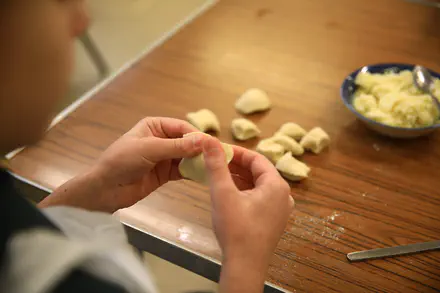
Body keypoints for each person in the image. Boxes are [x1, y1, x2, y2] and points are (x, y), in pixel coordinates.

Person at [0, 1, 294, 293]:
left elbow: (21, 230)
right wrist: (246, 263)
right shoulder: (70, 283)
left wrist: (99, 187)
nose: (82, 21)